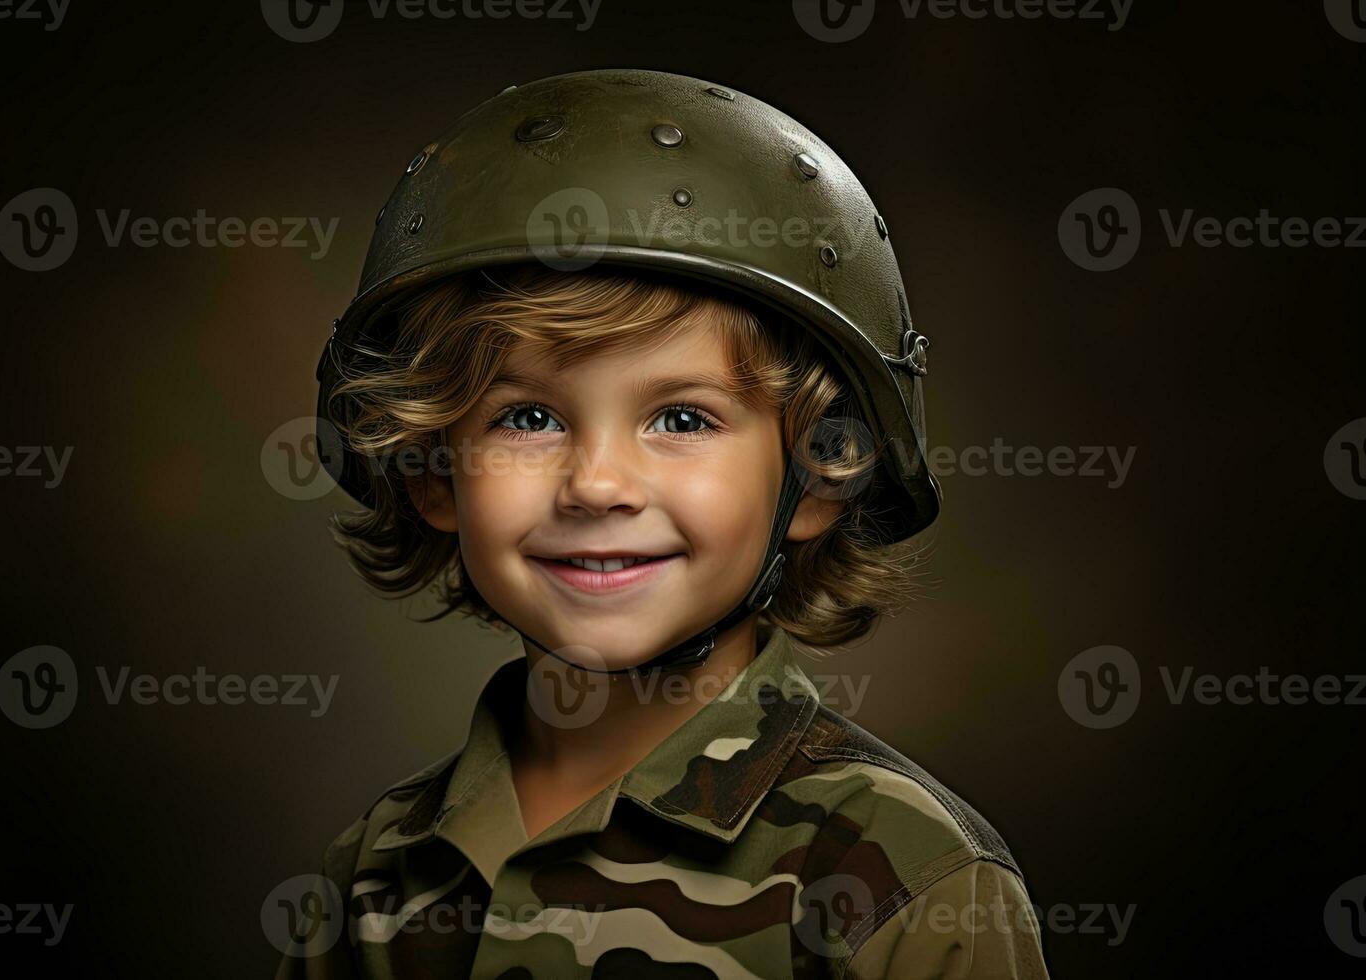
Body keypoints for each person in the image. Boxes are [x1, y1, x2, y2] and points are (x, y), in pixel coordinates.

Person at [278, 68, 1049, 979]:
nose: (597, 485)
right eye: (528, 418)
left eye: (682, 419)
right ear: (432, 474)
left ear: (816, 477)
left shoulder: (899, 876)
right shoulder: (372, 875)